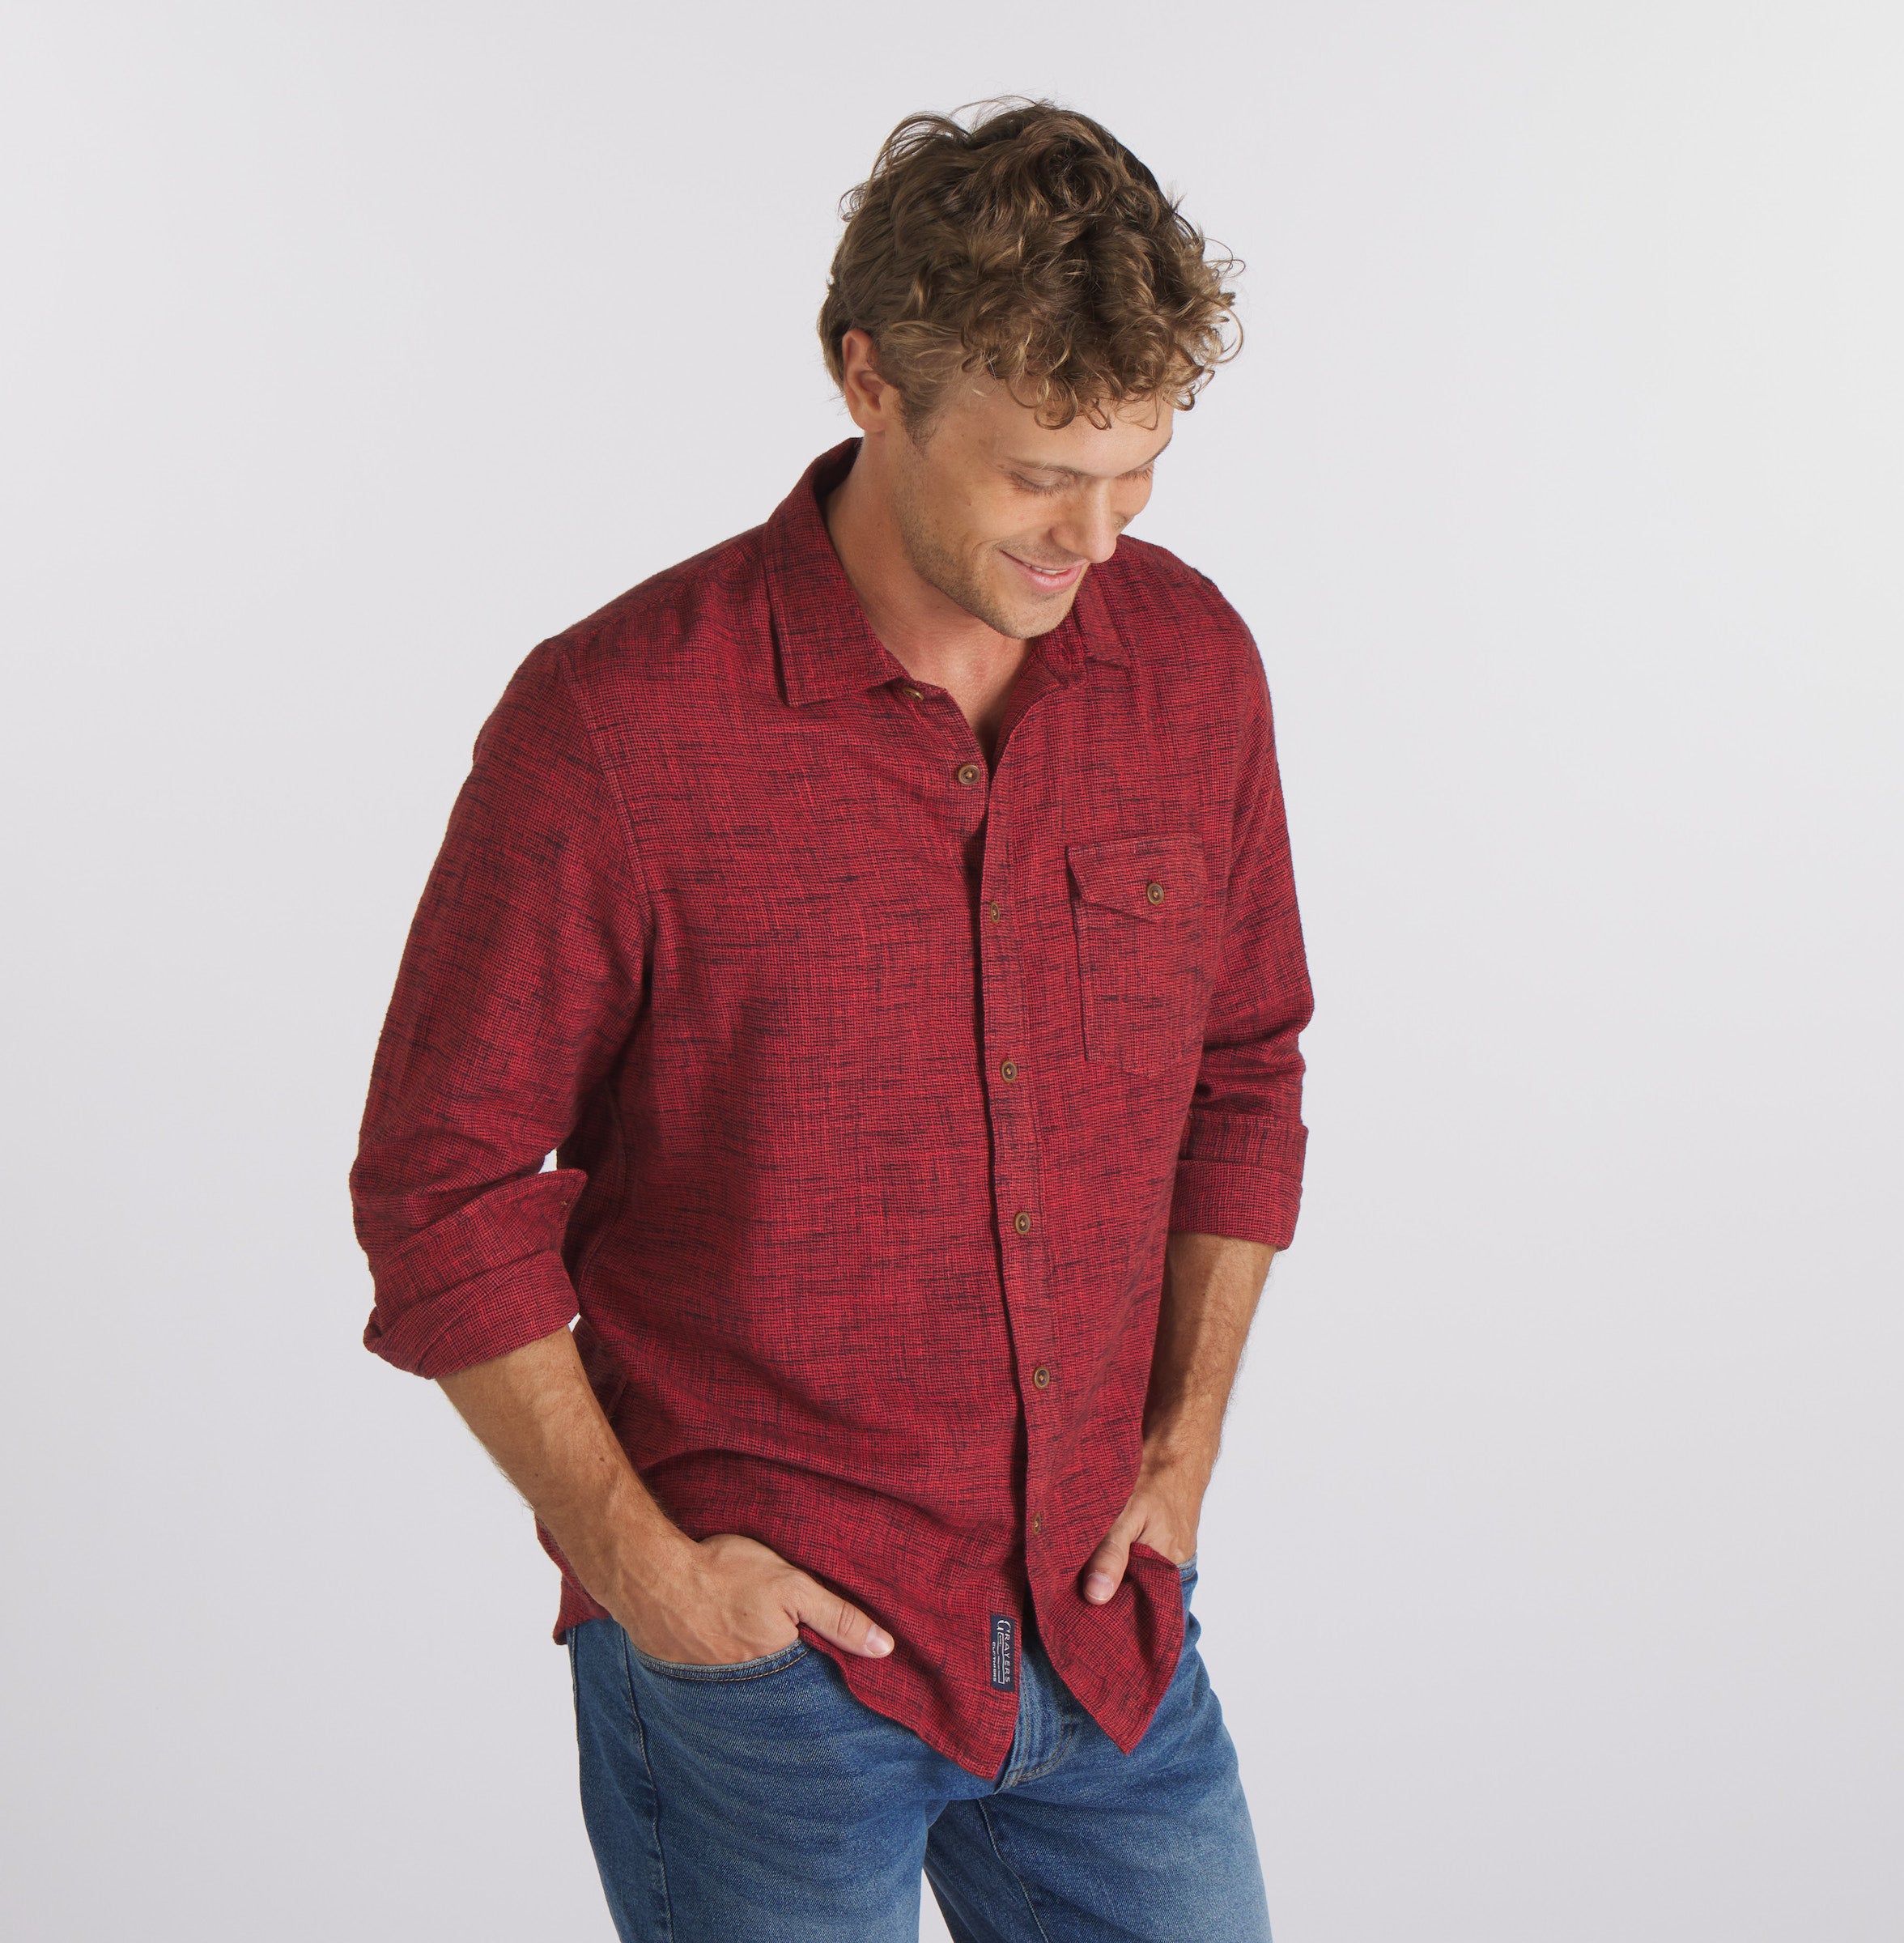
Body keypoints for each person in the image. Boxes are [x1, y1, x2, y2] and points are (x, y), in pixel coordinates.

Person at [350, 97, 1313, 1942]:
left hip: (1103, 1640)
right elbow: (439, 1184)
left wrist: (1183, 1442)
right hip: (770, 1684)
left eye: (1137, 474)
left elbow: (1245, 1065)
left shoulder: (1190, 669)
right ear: (869, 378)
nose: (1095, 537)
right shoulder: (616, 723)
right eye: (1041, 476)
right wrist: (646, 1576)